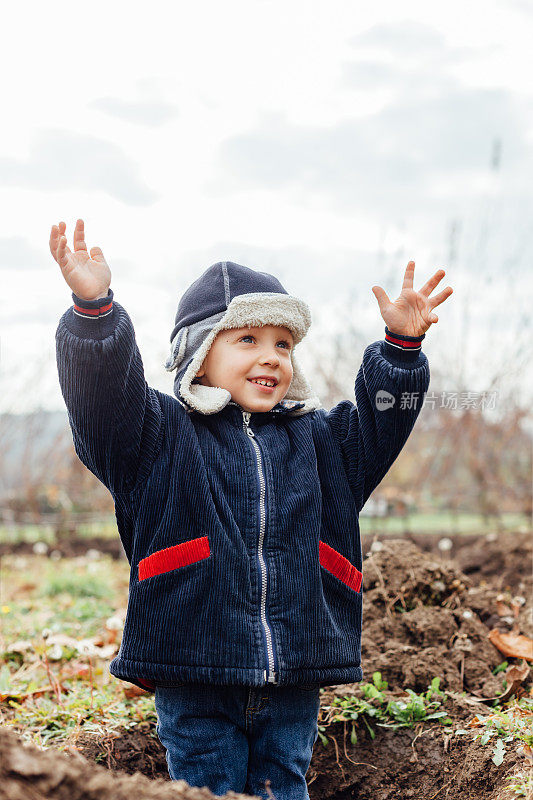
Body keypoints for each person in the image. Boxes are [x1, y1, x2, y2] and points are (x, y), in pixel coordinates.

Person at [50, 218, 453, 800]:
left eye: (283, 344)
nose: (272, 358)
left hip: (294, 666)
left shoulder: (320, 442)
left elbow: (381, 424)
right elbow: (104, 401)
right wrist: (94, 314)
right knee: (208, 789)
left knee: (283, 784)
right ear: (198, 352)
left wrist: (401, 350)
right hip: (193, 666)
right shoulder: (157, 435)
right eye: (248, 340)